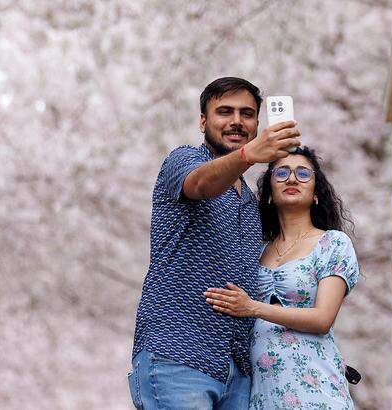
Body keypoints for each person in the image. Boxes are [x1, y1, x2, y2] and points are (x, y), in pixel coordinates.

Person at [129, 77, 300, 410]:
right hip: (178, 354)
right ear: (203, 121)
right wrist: (250, 155)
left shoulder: (251, 202)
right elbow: (202, 183)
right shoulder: (181, 161)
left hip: (236, 369)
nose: (236, 121)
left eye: (247, 114)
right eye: (225, 111)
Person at [204, 147, 360, 409]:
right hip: (261, 392)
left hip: (315, 388)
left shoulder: (332, 243)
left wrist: (252, 307)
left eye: (303, 173)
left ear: (317, 193)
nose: (291, 179)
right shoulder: (257, 250)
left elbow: (322, 319)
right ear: (269, 194)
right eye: (282, 173)